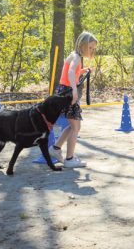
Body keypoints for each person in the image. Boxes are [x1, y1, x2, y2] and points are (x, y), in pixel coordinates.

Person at [49, 32, 98, 168]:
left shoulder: (74, 55)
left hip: (64, 91)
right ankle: (69, 159)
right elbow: (70, 72)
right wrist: (74, 91)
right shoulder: (77, 57)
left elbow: (72, 71)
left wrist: (82, 71)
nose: (92, 51)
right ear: (82, 45)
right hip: (68, 93)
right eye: (90, 48)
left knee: (73, 125)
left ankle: (56, 148)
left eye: (93, 49)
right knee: (76, 126)